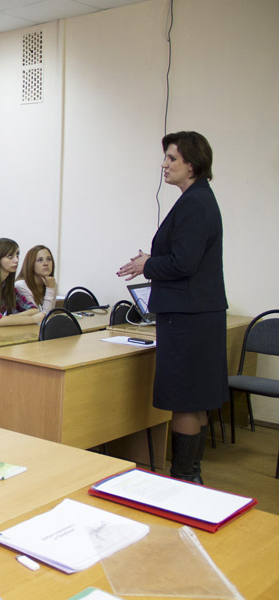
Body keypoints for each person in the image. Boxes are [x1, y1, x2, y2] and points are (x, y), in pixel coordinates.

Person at [117, 131, 226, 484]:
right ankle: (191, 477)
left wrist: (148, 264)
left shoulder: (195, 202)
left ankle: (184, 481)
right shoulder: (200, 198)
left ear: (191, 164)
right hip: (198, 313)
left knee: (185, 400)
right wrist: (150, 262)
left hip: (187, 316)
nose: (164, 165)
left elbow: (183, 263)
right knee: (196, 400)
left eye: (172, 158)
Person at [16, 245, 57, 314]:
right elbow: (41, 318)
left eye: (49, 259)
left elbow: (50, 315)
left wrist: (50, 288)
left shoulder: (51, 283)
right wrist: (50, 289)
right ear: (31, 264)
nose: (46, 263)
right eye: (40, 260)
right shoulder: (21, 285)